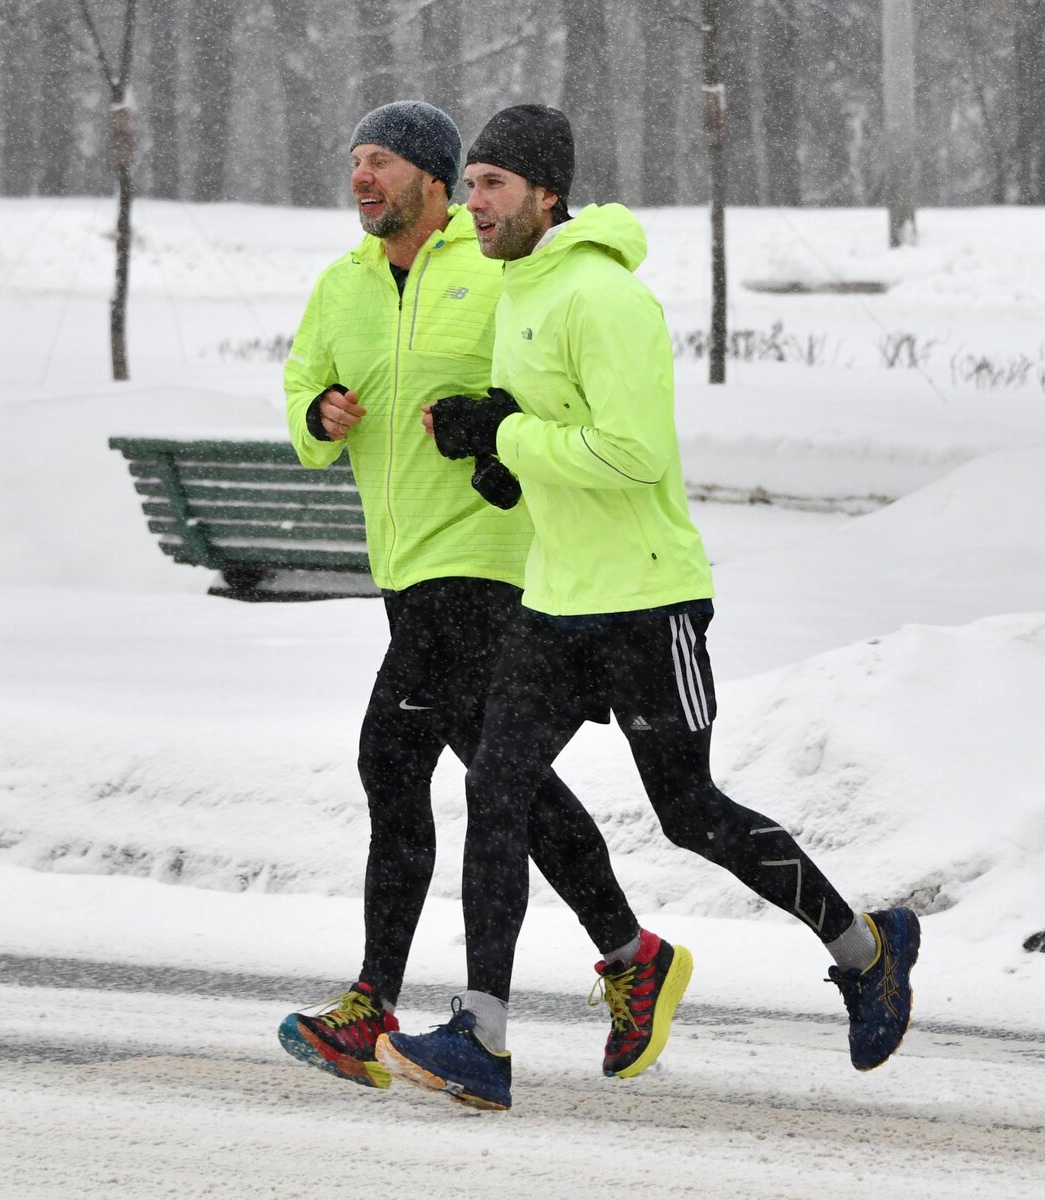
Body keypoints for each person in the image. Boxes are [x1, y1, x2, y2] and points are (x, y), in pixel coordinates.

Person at [375, 104, 920, 1110]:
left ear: (546, 194)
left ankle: (867, 950)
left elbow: (628, 455)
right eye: (475, 183)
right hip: (557, 601)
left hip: (648, 601)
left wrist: (512, 438)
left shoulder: (605, 299)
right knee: (495, 794)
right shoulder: (517, 290)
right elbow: (537, 442)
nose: (476, 203)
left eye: (494, 184)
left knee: (691, 813)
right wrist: (483, 444)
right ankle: (480, 1039)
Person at [276, 101, 691, 1101]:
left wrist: (498, 430)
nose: (362, 178)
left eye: (380, 162)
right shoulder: (343, 285)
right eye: (354, 163)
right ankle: (631, 953)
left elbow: (542, 381)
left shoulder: (493, 263)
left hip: (492, 559)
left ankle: (375, 1004)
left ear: (430, 175)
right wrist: (317, 412)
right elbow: (302, 398)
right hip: (405, 563)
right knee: (491, 776)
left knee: (397, 754)